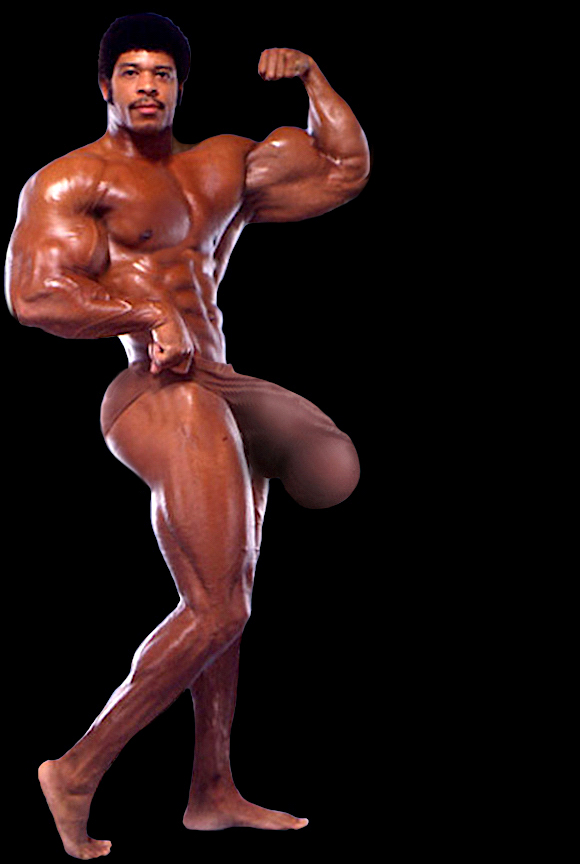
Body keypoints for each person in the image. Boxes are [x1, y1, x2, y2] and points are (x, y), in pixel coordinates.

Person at [5, 13, 369, 860]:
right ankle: (76, 771)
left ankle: (211, 790)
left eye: (162, 74)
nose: (147, 87)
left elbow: (344, 170)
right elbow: (33, 295)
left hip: (217, 380)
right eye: (131, 72)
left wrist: (313, 78)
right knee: (218, 606)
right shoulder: (73, 180)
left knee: (232, 592)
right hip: (152, 387)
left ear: (179, 87)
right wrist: (143, 313)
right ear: (105, 85)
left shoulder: (219, 168)